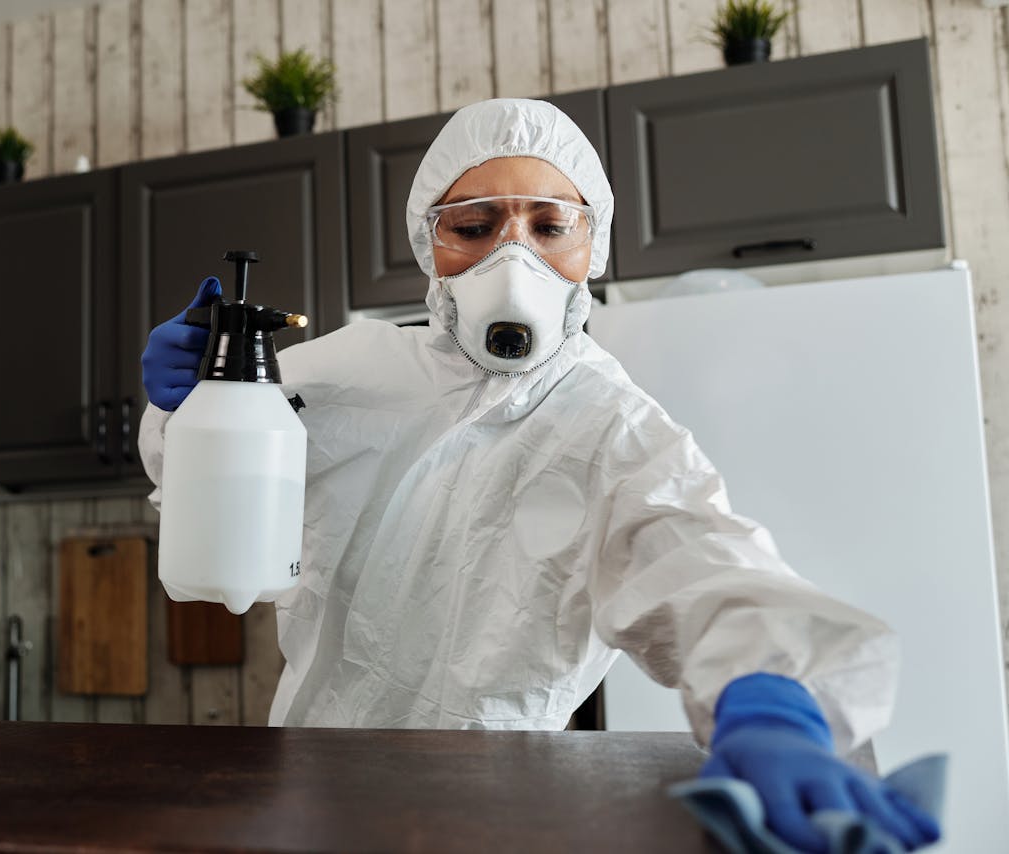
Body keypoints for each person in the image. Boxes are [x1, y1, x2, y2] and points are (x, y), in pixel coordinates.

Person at [138, 98, 940, 852]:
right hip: (307, 785)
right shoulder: (348, 370)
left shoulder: (612, 427)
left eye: (550, 226)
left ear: (589, 247)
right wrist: (191, 401)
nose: (512, 259)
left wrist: (772, 699)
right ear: (431, 243)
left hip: (499, 809)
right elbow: (204, 483)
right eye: (476, 226)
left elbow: (698, 554)